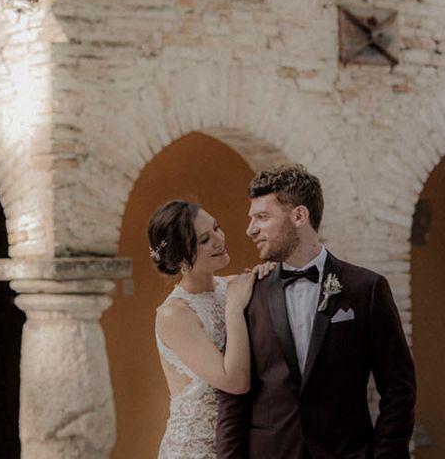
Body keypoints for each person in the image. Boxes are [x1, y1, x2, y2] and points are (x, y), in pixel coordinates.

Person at [216, 165, 416, 459]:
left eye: (262, 217)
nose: (250, 229)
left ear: (299, 216)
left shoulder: (366, 288)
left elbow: (399, 386)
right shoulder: (248, 294)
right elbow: (234, 398)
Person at [148, 200, 267, 459]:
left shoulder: (234, 286)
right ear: (181, 257)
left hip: (239, 442)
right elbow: (234, 381)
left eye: (217, 228)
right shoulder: (174, 314)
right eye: (204, 239)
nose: (219, 240)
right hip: (196, 448)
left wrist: (266, 273)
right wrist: (234, 309)